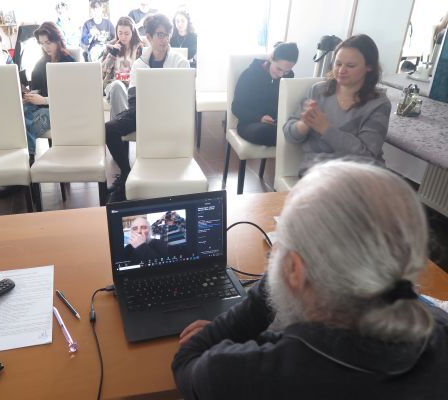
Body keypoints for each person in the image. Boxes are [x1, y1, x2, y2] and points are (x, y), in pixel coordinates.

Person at [172, 160, 448, 399]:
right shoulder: (439, 329)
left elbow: (186, 361)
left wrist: (274, 279)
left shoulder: (240, 372)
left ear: (294, 269)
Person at [105, 14, 190, 202]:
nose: (165, 39)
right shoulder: (139, 64)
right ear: (149, 37)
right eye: (160, 35)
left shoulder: (180, 63)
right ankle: (126, 173)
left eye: (167, 34)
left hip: (170, 116)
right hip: (141, 111)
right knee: (109, 129)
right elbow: (133, 97)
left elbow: (183, 100)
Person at [283, 34, 391, 176]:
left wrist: (326, 129)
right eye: (338, 64)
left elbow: (367, 157)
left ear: (369, 67)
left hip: (362, 174)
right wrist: (304, 124)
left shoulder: (379, 104)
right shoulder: (318, 91)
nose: (341, 71)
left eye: (350, 66)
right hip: (318, 171)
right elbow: (289, 134)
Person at [24, 22, 75, 163]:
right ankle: (27, 160)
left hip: (61, 109)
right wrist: (29, 96)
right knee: (19, 116)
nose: (45, 47)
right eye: (42, 44)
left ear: (57, 40)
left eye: (48, 42)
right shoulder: (41, 64)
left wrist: (44, 100)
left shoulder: (69, 63)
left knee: (24, 127)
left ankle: (28, 160)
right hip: (41, 107)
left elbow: (72, 97)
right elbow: (37, 88)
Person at [232, 42, 298, 146]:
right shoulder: (249, 75)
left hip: (277, 124)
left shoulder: (288, 77)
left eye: (286, 71)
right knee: (266, 133)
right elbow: (236, 107)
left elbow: (288, 104)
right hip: (251, 123)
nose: (281, 75)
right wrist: (260, 118)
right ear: (271, 58)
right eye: (279, 69)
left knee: (300, 131)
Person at [101, 16, 143, 119]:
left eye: (126, 33)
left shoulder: (139, 48)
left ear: (132, 32)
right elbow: (103, 71)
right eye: (120, 33)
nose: (123, 37)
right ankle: (124, 122)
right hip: (113, 83)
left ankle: (117, 125)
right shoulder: (111, 47)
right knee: (117, 86)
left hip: (133, 85)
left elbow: (144, 71)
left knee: (128, 91)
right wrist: (113, 53)